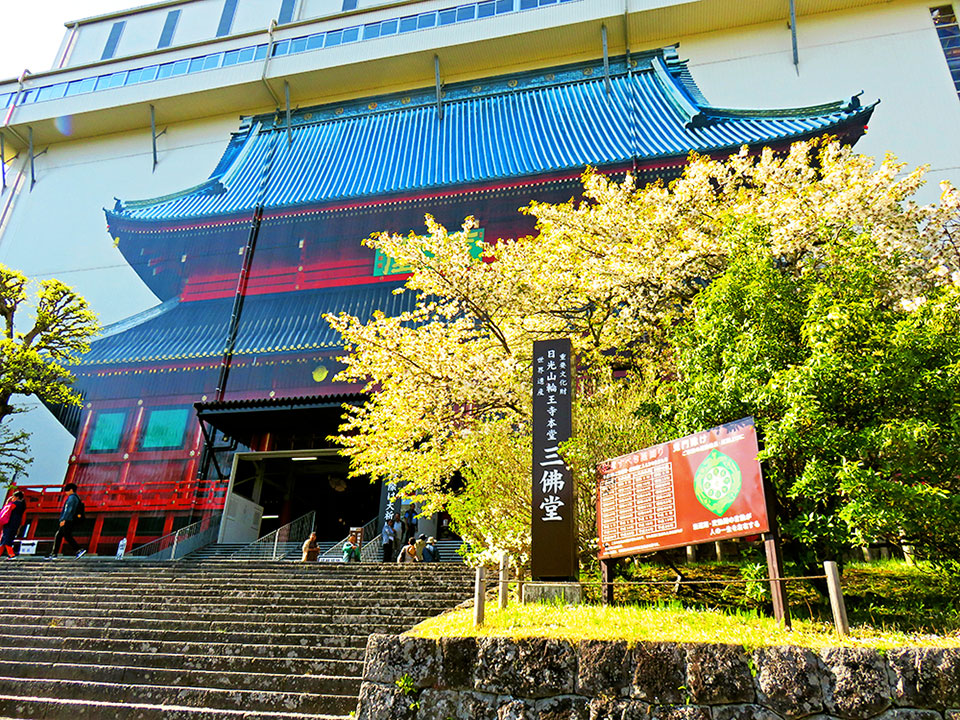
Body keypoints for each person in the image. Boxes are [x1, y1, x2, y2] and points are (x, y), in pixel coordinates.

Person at [47, 483, 86, 559]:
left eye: (67, 490)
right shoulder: (76, 498)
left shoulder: (72, 498)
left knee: (66, 536)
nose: (66, 492)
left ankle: (79, 549)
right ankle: (54, 553)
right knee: (59, 535)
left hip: (68, 519)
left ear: (71, 490)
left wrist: (64, 519)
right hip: (70, 519)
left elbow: (68, 510)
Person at [0, 491, 26, 559]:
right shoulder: (23, 505)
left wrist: (8, 501)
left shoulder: (15, 504)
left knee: (6, 539)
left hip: (9, 522)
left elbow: (6, 509)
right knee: (5, 540)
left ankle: (11, 554)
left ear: (16, 497)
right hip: (16, 523)